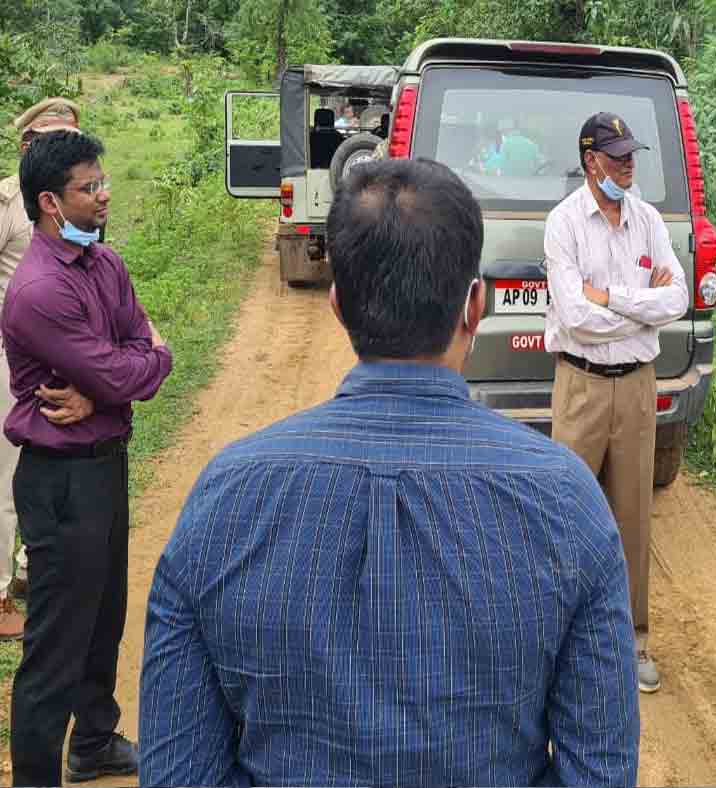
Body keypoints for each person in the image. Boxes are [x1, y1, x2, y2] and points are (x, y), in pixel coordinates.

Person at [139, 158, 640, 787]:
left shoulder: (226, 495)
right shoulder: (565, 499)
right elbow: (601, 771)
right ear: (475, 306)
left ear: (338, 304)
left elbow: (177, 773)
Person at [4, 129, 173, 786]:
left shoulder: (105, 265)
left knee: (103, 619)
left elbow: (135, 356)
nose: (104, 195)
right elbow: (126, 367)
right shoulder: (39, 291)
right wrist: (133, 369)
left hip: (104, 465)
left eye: (102, 182)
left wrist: (115, 383)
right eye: (89, 187)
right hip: (61, 481)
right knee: (56, 645)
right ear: (50, 202)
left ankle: (94, 743)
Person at [543, 112, 688, 693]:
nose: (628, 164)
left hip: (636, 385)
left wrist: (610, 298)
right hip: (579, 385)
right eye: (617, 155)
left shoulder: (647, 221)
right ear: (591, 161)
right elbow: (574, 316)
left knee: (632, 514)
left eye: (631, 155)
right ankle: (560, 644)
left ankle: (633, 641)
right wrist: (639, 308)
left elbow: (676, 299)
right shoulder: (564, 223)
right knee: (567, 515)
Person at [0, 97, 85, 641]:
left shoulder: (76, 205)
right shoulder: (7, 202)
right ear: (27, 145)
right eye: (51, 140)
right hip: (9, 356)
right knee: (5, 475)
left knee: (54, 463)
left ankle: (34, 568)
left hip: (63, 354)